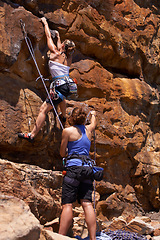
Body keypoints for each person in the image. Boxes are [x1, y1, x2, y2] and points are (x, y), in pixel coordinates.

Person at [18, 17, 76, 142]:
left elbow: (48, 37)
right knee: (61, 97)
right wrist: (59, 37)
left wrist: (45, 23)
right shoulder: (68, 58)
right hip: (66, 86)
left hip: (59, 86)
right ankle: (64, 116)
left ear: (63, 46)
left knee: (43, 109)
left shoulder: (55, 53)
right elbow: (61, 48)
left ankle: (32, 135)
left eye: (61, 43)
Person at [58, 107, 97, 240]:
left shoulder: (67, 131)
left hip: (73, 169)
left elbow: (62, 153)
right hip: (87, 169)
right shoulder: (89, 130)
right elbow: (93, 123)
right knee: (87, 203)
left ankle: (60, 237)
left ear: (71, 118)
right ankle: (93, 238)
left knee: (68, 204)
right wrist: (93, 114)